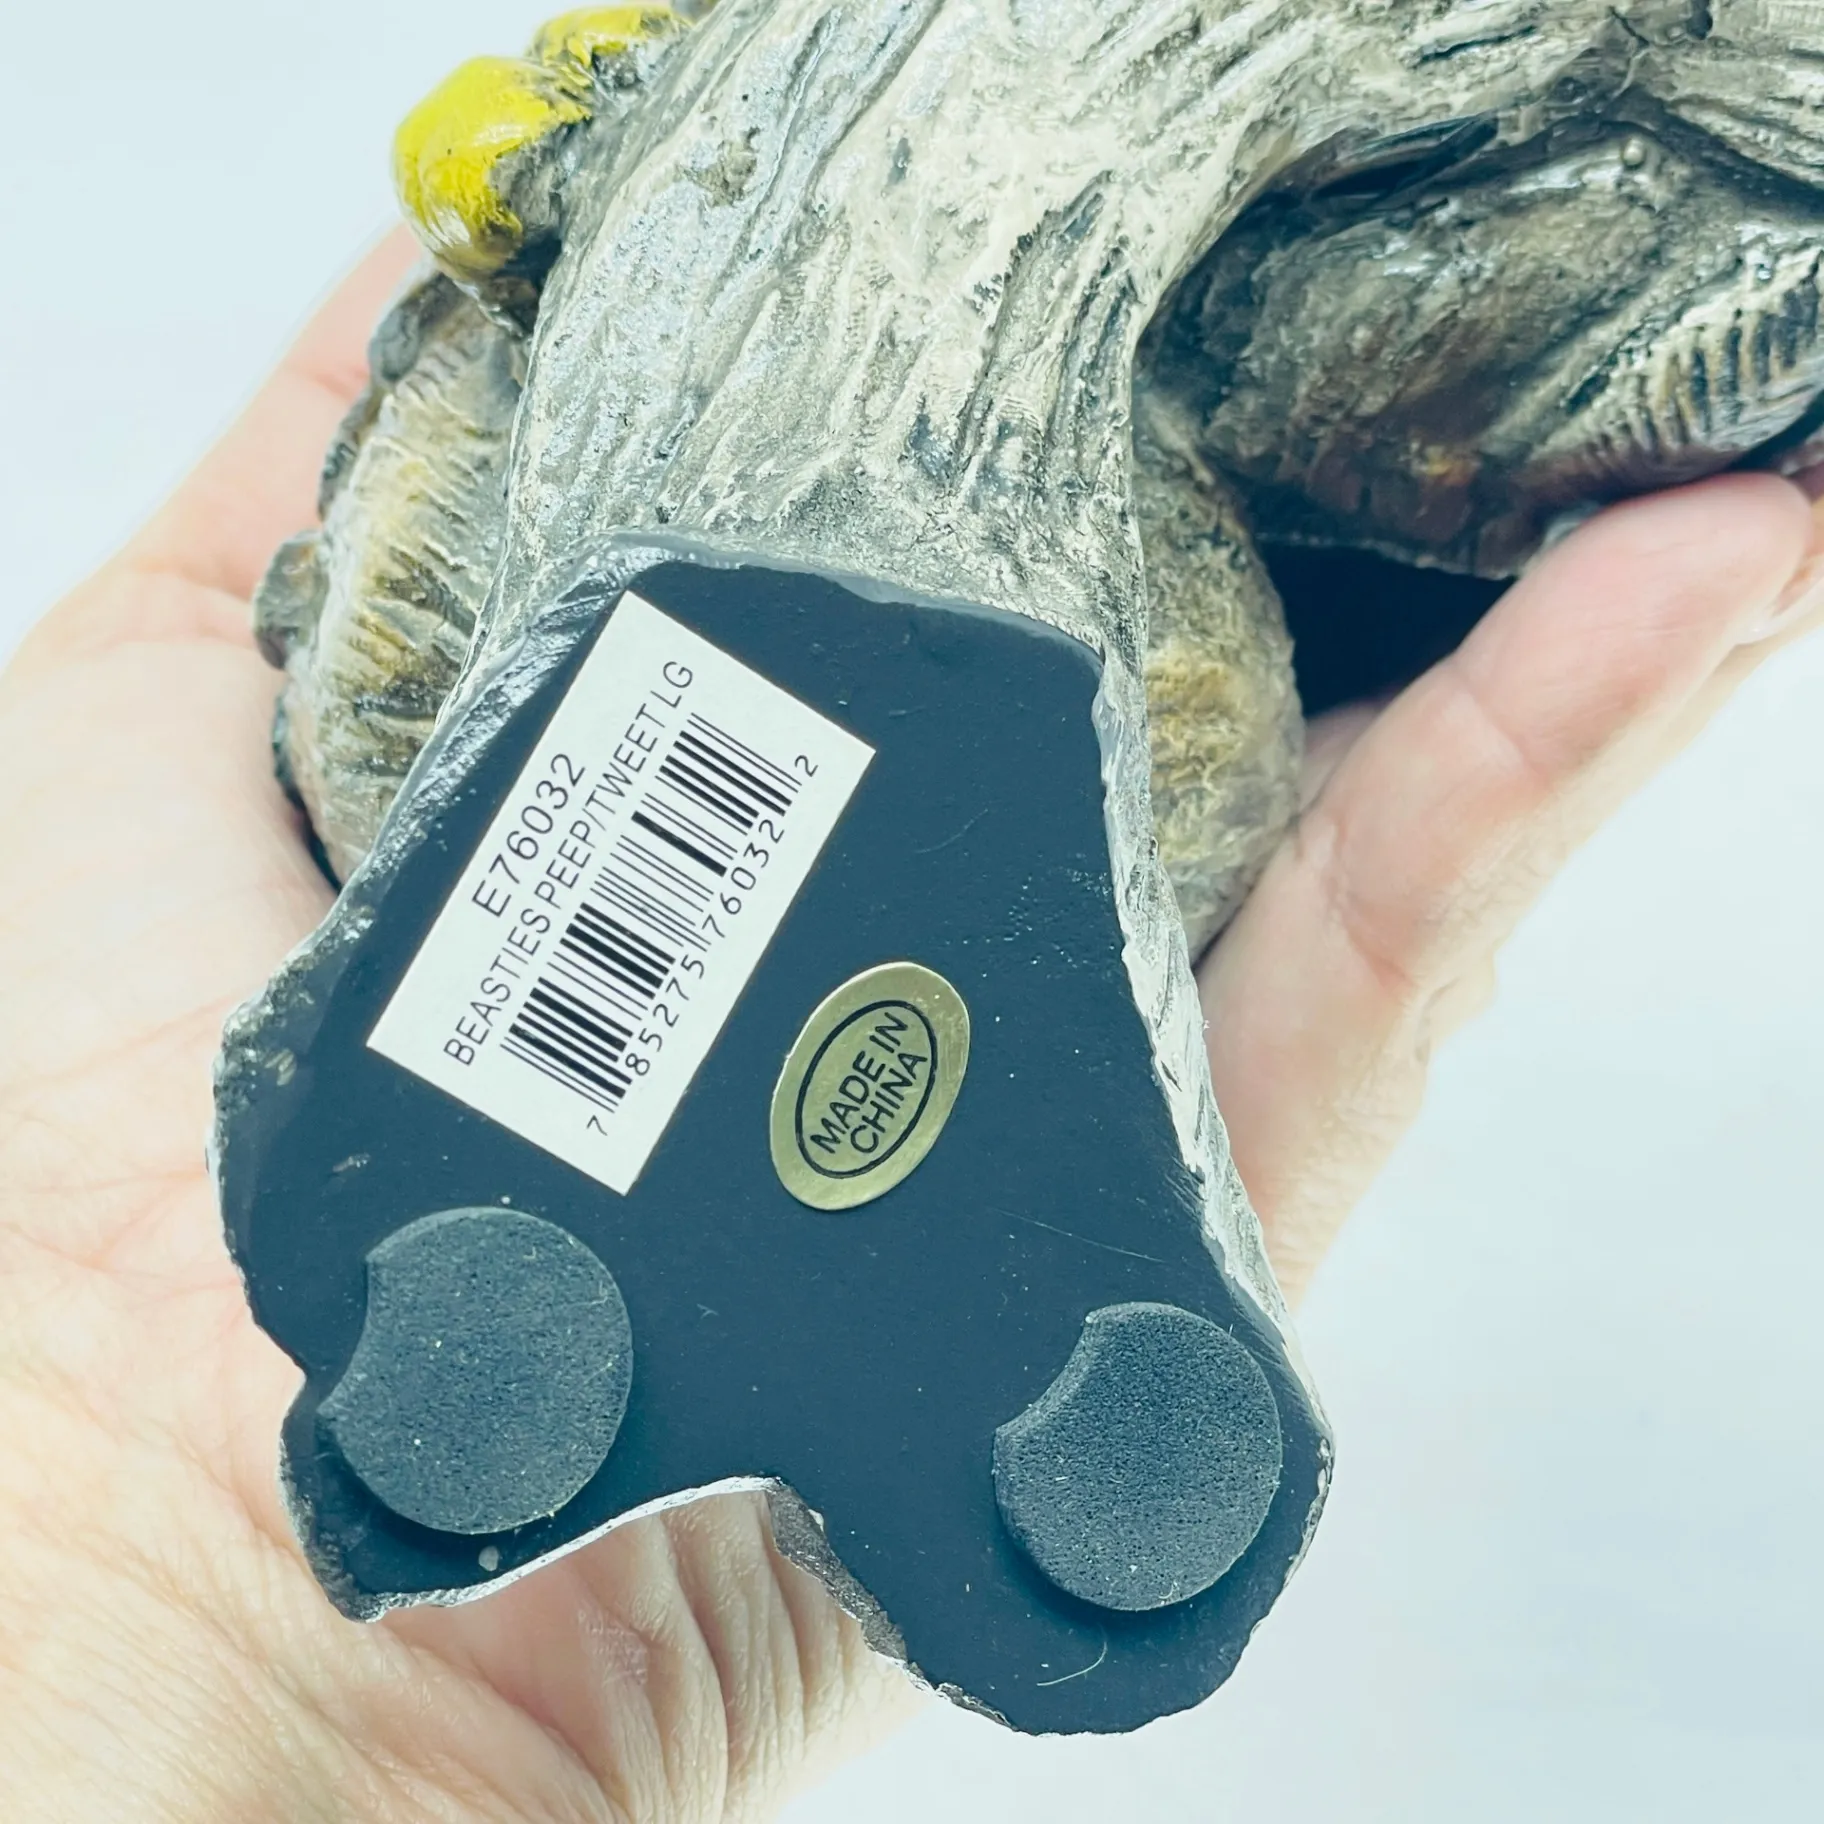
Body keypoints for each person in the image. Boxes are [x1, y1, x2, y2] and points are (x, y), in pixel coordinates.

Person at [0, 232, 1818, 1821]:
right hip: (909, 690)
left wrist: (216, 1649)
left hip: (917, 690)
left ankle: (541, 1365)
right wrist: (216, 1641)